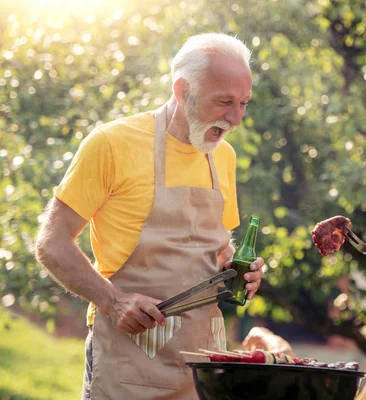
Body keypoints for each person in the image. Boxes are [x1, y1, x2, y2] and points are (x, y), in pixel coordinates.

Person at [35, 33, 265, 399]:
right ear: (181, 90)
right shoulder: (112, 144)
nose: (235, 118)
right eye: (223, 102)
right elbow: (51, 243)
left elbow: (216, 245)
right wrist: (114, 300)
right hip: (126, 360)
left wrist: (236, 268)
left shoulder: (223, 155)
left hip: (202, 365)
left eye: (243, 104)